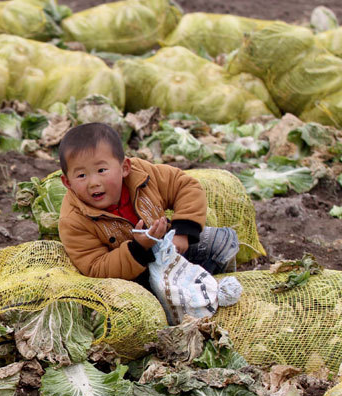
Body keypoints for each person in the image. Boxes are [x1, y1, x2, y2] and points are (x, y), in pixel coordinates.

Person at [57, 122, 238, 290]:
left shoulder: (142, 173)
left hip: (171, 246)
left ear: (124, 168)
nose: (93, 182)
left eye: (102, 170)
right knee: (155, 294)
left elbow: (185, 186)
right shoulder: (73, 220)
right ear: (67, 182)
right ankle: (187, 290)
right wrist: (139, 248)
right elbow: (96, 267)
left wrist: (182, 233)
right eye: (81, 176)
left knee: (225, 240)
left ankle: (206, 282)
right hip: (135, 277)